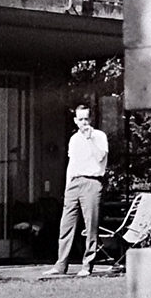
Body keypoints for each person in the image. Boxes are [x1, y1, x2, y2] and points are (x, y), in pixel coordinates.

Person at [43, 104, 108, 276]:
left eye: (86, 118)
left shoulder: (99, 136)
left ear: (91, 119)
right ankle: (60, 264)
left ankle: (87, 265)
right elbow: (71, 165)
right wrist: (67, 186)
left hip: (92, 182)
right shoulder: (73, 139)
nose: (84, 122)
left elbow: (101, 156)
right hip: (74, 183)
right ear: (75, 121)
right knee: (66, 224)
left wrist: (89, 139)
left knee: (90, 225)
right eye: (81, 119)